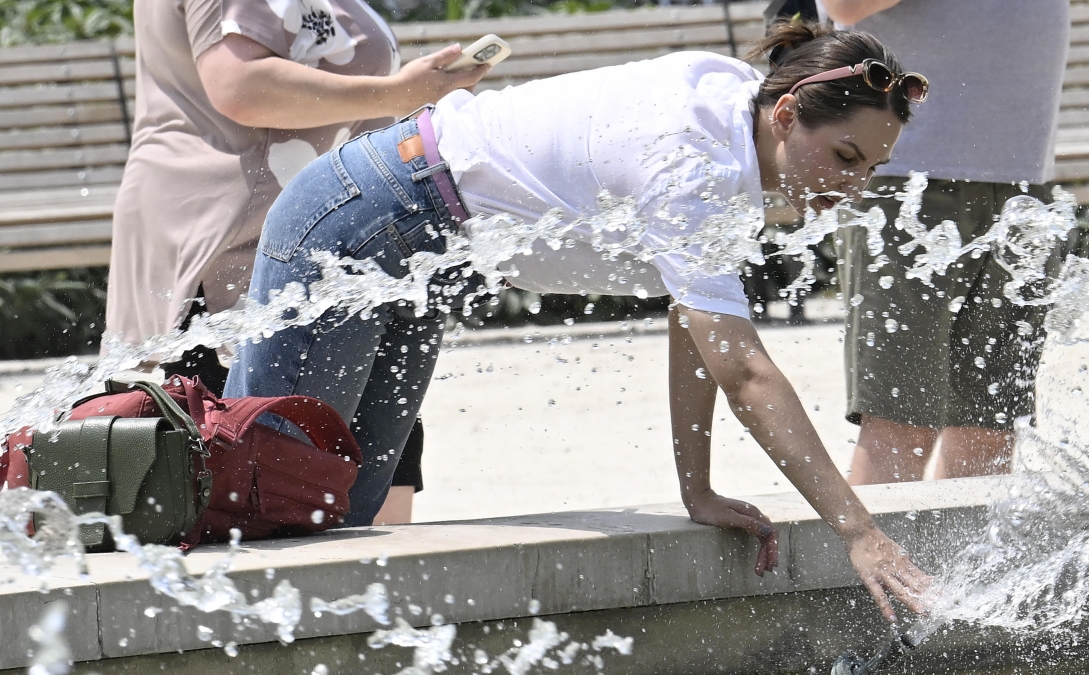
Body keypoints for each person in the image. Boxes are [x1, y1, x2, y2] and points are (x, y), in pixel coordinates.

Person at [225, 21, 933, 622]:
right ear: (785, 114)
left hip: (422, 240)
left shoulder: (733, 117)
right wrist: (858, 529)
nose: (853, 184)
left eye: (870, 166)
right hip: (364, 218)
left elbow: (694, 328)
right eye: (845, 156)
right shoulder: (694, 165)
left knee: (342, 505)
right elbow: (745, 372)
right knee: (270, 495)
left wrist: (698, 489)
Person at [104, 0, 488, 522]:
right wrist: (400, 93)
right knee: (247, 481)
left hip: (346, 242)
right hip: (227, 244)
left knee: (359, 485)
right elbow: (239, 86)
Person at [821, 0, 1089, 484]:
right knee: (900, 424)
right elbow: (846, 6)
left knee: (989, 427)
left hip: (1024, 182)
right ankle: (869, 560)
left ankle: (960, 562)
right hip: (905, 181)